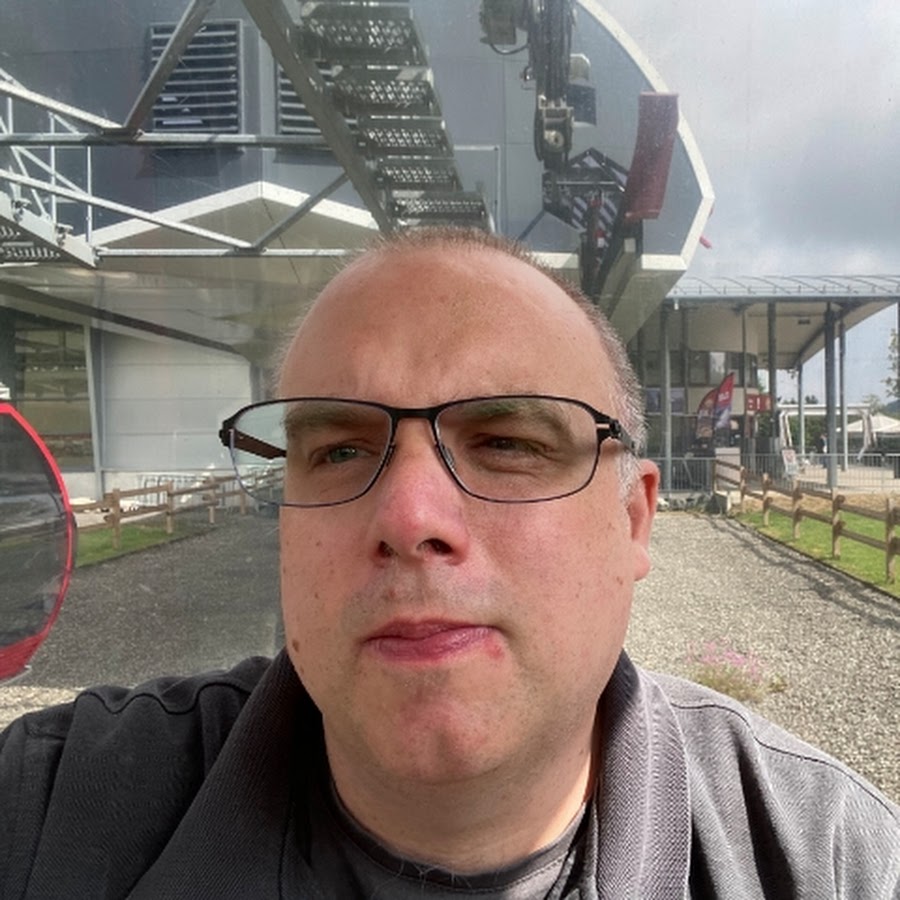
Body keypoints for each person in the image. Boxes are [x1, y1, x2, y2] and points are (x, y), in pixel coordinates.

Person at [1, 229, 898, 898]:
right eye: (340, 451)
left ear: (632, 520)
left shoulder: (831, 860)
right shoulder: (46, 805)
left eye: (507, 442)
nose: (409, 518)